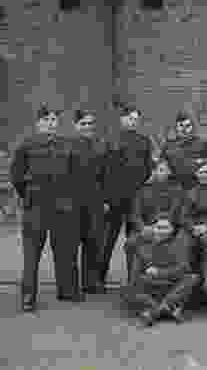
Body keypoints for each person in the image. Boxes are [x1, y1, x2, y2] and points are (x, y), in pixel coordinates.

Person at [11, 105, 82, 311]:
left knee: (64, 250)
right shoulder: (27, 145)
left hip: (62, 206)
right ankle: (28, 297)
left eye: (54, 120)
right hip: (36, 206)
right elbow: (16, 175)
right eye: (47, 120)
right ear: (38, 122)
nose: (51, 124)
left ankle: (66, 290)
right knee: (32, 253)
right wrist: (29, 195)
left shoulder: (66, 145)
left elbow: (74, 175)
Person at [103, 104, 154, 285]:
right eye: (130, 118)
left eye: (136, 119)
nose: (133, 122)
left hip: (136, 200)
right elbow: (104, 172)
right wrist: (105, 199)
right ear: (122, 119)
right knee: (107, 240)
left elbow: (149, 171)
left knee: (134, 242)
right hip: (114, 199)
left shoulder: (144, 141)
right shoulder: (110, 140)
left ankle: (133, 279)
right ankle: (99, 278)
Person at [122, 213, 200, 327]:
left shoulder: (179, 244)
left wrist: (159, 272)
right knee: (127, 289)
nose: (161, 231)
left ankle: (154, 311)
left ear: (172, 230)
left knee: (193, 278)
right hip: (150, 287)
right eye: (158, 228)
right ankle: (166, 309)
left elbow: (184, 268)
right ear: (153, 228)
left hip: (172, 286)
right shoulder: (142, 246)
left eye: (165, 228)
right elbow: (135, 276)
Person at [70, 109, 111, 294]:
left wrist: (105, 199)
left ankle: (91, 282)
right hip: (74, 200)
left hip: (95, 200)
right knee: (72, 243)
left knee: (94, 242)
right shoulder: (68, 146)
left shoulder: (100, 146)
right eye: (83, 124)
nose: (87, 127)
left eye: (90, 123)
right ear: (76, 126)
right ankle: (71, 284)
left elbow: (106, 175)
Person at [127, 158, 184, 283]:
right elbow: (135, 214)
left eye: (164, 170)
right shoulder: (143, 190)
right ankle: (133, 282)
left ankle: (163, 277)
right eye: (159, 170)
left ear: (170, 172)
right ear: (154, 171)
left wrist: (159, 227)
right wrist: (142, 227)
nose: (161, 173)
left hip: (168, 228)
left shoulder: (177, 189)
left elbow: (174, 212)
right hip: (146, 228)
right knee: (131, 243)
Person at [160, 111, 207, 190]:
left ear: (192, 127)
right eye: (181, 126)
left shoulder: (202, 144)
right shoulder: (167, 146)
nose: (184, 129)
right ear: (176, 127)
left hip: (197, 188)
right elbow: (162, 169)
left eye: (187, 126)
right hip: (175, 189)